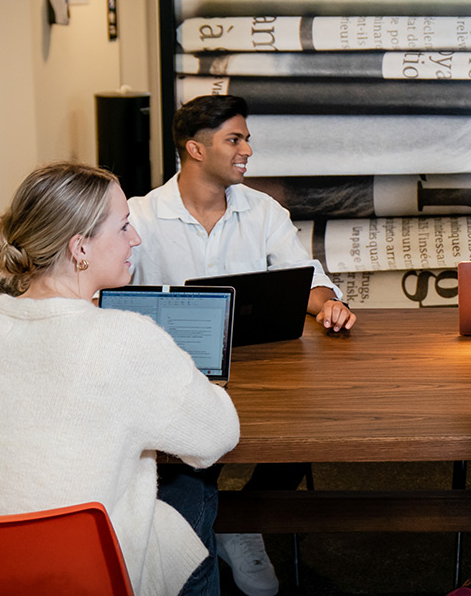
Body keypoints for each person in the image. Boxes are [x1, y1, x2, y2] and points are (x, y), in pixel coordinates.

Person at [0, 162, 240, 596]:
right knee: (195, 483)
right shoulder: (127, 339)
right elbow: (217, 435)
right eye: (124, 227)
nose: (135, 239)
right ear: (79, 247)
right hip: (83, 574)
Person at [128, 94, 353, 596]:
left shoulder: (263, 209)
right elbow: (108, 296)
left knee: (304, 433)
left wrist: (326, 305)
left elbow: (304, 277)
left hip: (259, 369)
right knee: (191, 466)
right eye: (235, 139)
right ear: (195, 149)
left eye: (247, 138)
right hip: (174, 380)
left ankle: (239, 523)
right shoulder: (138, 218)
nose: (247, 149)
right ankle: (205, 540)